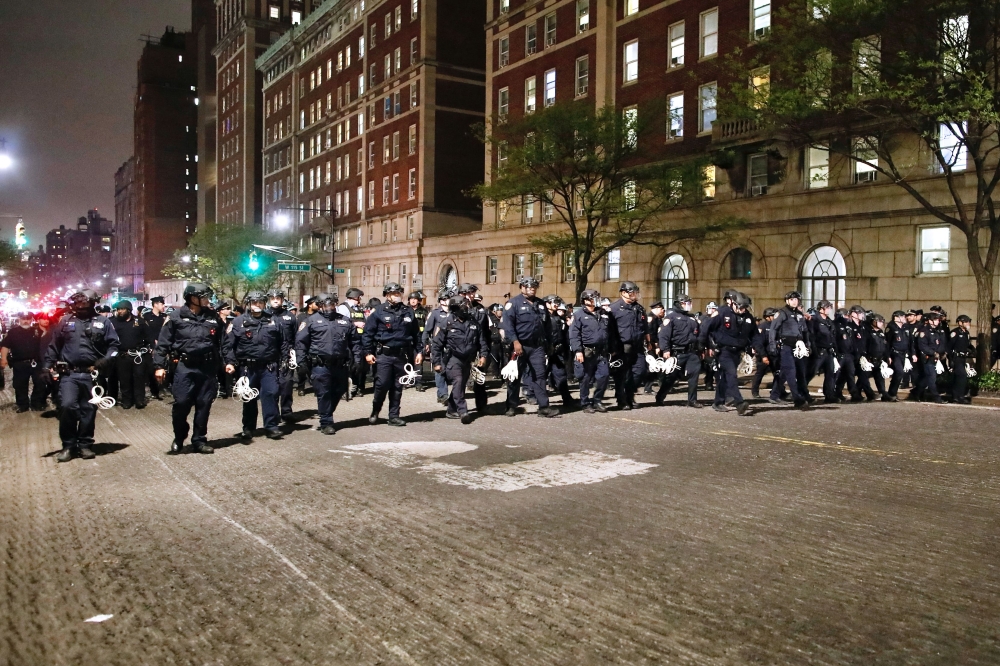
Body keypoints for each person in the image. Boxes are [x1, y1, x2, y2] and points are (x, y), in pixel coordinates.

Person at [43, 290, 121, 462]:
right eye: (77, 304)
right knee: (67, 406)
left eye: (84, 304)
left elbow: (114, 346)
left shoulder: (103, 322)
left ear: (93, 303)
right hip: (69, 374)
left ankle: (85, 444)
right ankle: (68, 445)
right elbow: (54, 346)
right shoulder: (65, 321)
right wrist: (46, 366)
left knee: (88, 410)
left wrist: (106, 360)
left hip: (91, 374)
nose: (80, 308)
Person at [154, 283, 225, 454]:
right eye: (205, 297)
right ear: (194, 298)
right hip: (185, 367)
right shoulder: (176, 317)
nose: (208, 300)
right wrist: (159, 365)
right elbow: (163, 343)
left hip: (207, 367)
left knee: (204, 403)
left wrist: (229, 362)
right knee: (181, 403)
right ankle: (179, 437)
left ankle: (199, 440)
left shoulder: (213, 317)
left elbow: (224, 342)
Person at [223, 291, 289, 441]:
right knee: (249, 398)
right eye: (254, 302)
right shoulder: (238, 322)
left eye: (260, 302)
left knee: (271, 394)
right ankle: (248, 428)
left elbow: (283, 342)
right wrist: (230, 362)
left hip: (269, 367)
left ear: (264, 303)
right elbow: (228, 346)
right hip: (247, 367)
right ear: (249, 304)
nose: (257, 305)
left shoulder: (274, 320)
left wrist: (285, 360)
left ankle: (271, 427)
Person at [296, 293, 359, 434]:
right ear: (320, 306)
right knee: (324, 393)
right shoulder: (310, 321)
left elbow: (355, 342)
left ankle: (326, 411)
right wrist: (301, 363)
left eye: (332, 304)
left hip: (340, 364)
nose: (329, 307)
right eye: (326, 305)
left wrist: (358, 360)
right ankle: (326, 422)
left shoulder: (345, 321)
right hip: (320, 365)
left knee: (340, 390)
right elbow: (300, 343)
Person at [362, 282, 423, 426]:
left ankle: (394, 416)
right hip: (384, 355)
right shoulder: (378, 312)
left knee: (397, 386)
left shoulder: (408, 311)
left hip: (402, 355)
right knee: (382, 384)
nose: (397, 296)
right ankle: (376, 410)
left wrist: (419, 351)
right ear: (387, 295)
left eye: (399, 294)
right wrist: (367, 353)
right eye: (394, 294)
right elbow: (367, 334)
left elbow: (416, 334)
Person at [502, 276, 559, 418]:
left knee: (539, 376)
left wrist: (550, 343)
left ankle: (544, 407)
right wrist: (515, 342)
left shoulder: (540, 304)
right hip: (519, 346)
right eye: (529, 286)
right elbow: (508, 326)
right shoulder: (513, 303)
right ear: (522, 287)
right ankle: (511, 406)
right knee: (515, 377)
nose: (532, 288)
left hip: (537, 347)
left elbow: (546, 326)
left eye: (534, 286)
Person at [432, 296, 486, 424]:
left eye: (467, 305)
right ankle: (463, 411)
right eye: (464, 305)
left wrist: (483, 355)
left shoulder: (473, 322)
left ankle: (451, 410)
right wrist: (436, 362)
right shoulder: (447, 322)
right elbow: (437, 344)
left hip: (467, 360)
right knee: (458, 380)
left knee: (460, 386)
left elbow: (482, 341)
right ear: (456, 307)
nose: (467, 307)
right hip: (453, 358)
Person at [699, 291, 752, 415]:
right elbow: (706, 327)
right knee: (731, 374)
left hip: (736, 351)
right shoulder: (722, 313)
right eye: (741, 306)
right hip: (723, 350)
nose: (743, 309)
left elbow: (753, 334)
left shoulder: (747, 317)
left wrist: (757, 350)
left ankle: (718, 402)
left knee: (723, 377)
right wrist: (703, 345)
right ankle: (739, 403)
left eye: (745, 307)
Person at [570, 289, 617, 413]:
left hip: (602, 352)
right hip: (587, 352)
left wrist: (612, 348)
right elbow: (574, 334)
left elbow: (611, 332)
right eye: (592, 298)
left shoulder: (603, 313)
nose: (595, 301)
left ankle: (597, 400)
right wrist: (578, 351)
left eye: (596, 298)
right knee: (585, 378)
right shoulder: (579, 315)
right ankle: (585, 403)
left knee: (604, 376)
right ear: (585, 301)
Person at [655, 295, 702, 407]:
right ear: (679, 304)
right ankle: (660, 396)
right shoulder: (671, 317)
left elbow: (698, 334)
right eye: (686, 303)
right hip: (677, 352)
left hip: (691, 352)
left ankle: (692, 400)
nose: (688, 305)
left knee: (694, 375)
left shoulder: (692, 318)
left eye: (689, 303)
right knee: (671, 377)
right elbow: (664, 335)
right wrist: (665, 349)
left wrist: (701, 348)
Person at [768, 291, 811, 408]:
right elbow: (773, 329)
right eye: (792, 299)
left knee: (786, 372)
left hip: (798, 347)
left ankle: (774, 394)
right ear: (787, 301)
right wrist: (772, 345)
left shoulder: (800, 314)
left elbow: (805, 331)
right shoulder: (782, 313)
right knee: (791, 372)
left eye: (796, 299)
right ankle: (797, 399)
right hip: (786, 346)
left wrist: (808, 344)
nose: (795, 301)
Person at [609, 282, 647, 410]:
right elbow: (609, 330)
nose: (635, 295)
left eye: (636, 292)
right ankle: (622, 400)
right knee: (622, 376)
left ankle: (629, 396)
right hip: (622, 348)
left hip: (638, 346)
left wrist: (650, 342)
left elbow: (644, 328)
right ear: (624, 293)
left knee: (640, 372)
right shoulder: (613, 309)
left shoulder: (639, 308)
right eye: (632, 292)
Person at [109, 300, 152, 410]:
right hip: (122, 356)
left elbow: (148, 337)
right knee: (124, 380)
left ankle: (139, 400)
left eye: (122, 309)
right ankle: (126, 401)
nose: (120, 311)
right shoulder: (113, 322)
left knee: (139, 378)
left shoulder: (140, 321)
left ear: (129, 310)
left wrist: (148, 349)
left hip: (137, 355)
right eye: (118, 309)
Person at [457, 284, 491, 415]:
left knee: (479, 378)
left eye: (473, 293)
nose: (472, 295)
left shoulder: (480, 308)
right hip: (460, 349)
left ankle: (482, 406)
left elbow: (485, 331)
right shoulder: (455, 308)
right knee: (460, 379)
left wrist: (485, 350)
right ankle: (455, 406)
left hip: (477, 347)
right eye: (469, 293)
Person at [1, 313, 46, 412]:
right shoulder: (12, 332)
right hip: (19, 363)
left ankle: (36, 403)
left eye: (28, 319)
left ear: (31, 320)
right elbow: (5, 346)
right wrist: (3, 359)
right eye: (23, 319)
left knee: (40, 383)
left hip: (36, 362)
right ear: (19, 319)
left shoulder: (38, 331)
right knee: (20, 385)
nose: (26, 321)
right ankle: (22, 405)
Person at [265, 289, 297, 421]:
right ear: (269, 300)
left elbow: (295, 336)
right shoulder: (264, 315)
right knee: (271, 387)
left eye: (278, 298)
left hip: (286, 355)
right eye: (272, 298)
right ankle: (273, 413)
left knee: (286, 384)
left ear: (282, 300)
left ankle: (286, 411)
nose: (275, 300)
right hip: (269, 355)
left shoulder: (290, 316)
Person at [422, 290, 454, 405]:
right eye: (446, 299)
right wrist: (425, 343)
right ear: (441, 301)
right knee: (439, 370)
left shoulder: (454, 312)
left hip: (451, 345)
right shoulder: (435, 313)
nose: (449, 301)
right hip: (438, 346)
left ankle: (450, 394)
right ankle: (442, 394)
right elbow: (427, 330)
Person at [543, 294, 575, 407]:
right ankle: (537, 399)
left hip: (557, 351)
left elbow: (562, 334)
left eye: (557, 302)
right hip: (544, 351)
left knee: (561, 375)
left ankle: (567, 398)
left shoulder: (558, 318)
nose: (556, 304)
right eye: (554, 302)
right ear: (547, 303)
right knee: (540, 376)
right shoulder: (542, 316)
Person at [338, 288, 368, 397]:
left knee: (358, 365)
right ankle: (345, 390)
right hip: (348, 342)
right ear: (354, 296)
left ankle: (357, 387)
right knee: (348, 366)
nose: (360, 299)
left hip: (359, 340)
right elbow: (341, 322)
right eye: (359, 296)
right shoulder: (343, 308)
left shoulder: (358, 309)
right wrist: (356, 324)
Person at [915, 310, 947, 403]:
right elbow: (923, 346)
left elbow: (942, 343)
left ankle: (916, 392)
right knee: (932, 377)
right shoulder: (924, 331)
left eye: (938, 320)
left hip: (937, 358)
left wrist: (942, 352)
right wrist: (933, 353)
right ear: (930, 321)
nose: (938, 321)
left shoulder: (939, 331)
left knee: (927, 378)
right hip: (928, 358)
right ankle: (936, 398)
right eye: (936, 320)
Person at [142, 296, 169, 400]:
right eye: (162, 304)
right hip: (151, 346)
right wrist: (152, 342)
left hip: (163, 346)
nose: (163, 306)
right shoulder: (147, 316)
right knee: (150, 369)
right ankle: (151, 388)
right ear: (156, 304)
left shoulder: (164, 316)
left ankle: (162, 388)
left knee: (164, 367)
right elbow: (146, 332)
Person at [294, 296, 319, 396]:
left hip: (314, 345)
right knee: (302, 368)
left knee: (315, 368)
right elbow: (297, 331)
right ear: (310, 305)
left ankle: (316, 388)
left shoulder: (319, 316)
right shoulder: (301, 317)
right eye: (316, 303)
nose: (318, 305)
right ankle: (301, 387)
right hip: (302, 345)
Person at [751, 307, 778, 400]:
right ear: (767, 317)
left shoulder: (776, 326)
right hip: (764, 354)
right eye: (773, 315)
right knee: (760, 373)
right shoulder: (763, 327)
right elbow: (759, 343)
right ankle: (755, 391)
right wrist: (763, 356)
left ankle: (778, 392)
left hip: (774, 354)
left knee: (778, 374)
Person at [949, 314, 974, 404]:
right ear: (960, 323)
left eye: (969, 322)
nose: (968, 323)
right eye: (966, 322)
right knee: (962, 376)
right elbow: (949, 347)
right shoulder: (955, 333)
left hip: (963, 358)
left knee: (957, 377)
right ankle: (959, 396)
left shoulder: (966, 333)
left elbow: (967, 345)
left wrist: (972, 349)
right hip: (956, 358)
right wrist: (951, 360)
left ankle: (956, 396)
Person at [408, 292, 429, 392]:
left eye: (415, 299)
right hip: (407, 340)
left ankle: (419, 383)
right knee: (407, 361)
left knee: (418, 361)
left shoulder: (424, 312)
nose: (413, 301)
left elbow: (428, 327)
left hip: (420, 339)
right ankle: (408, 380)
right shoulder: (405, 310)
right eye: (411, 299)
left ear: (418, 300)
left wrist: (427, 342)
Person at [644, 302, 665, 394]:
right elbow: (650, 333)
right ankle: (647, 388)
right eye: (661, 309)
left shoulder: (658, 319)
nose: (663, 311)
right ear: (656, 309)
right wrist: (655, 344)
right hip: (651, 346)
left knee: (658, 365)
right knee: (652, 366)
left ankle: (661, 385)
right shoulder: (651, 318)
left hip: (656, 345)